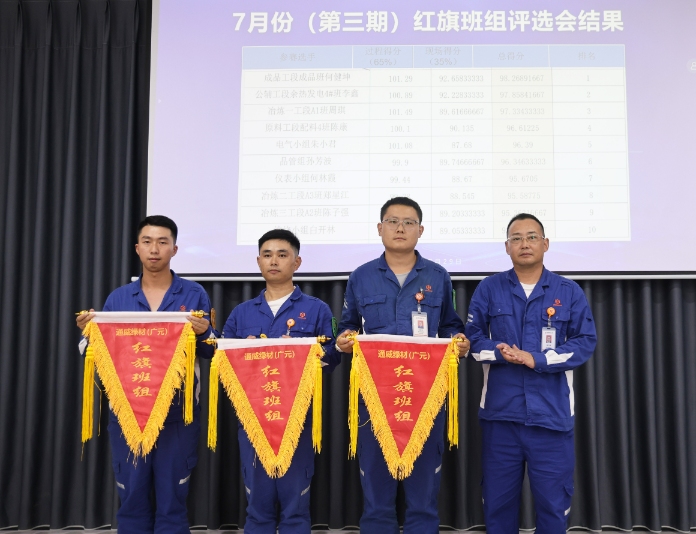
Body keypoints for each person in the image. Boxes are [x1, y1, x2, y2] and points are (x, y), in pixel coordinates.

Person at [335, 197, 469, 534]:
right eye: (392, 221)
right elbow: (347, 324)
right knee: (376, 497)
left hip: (424, 396)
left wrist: (459, 342)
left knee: (423, 497)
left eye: (409, 222)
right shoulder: (361, 276)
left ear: (420, 231)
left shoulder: (438, 276)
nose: (400, 228)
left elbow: (450, 326)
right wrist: (344, 340)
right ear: (380, 228)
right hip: (374, 397)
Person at [76, 215, 214, 534]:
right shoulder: (119, 298)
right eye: (148, 242)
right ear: (137, 248)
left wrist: (205, 333)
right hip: (128, 412)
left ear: (174, 249)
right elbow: (95, 354)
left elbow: (211, 351)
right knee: (132, 497)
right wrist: (88, 333)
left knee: (173, 500)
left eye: (163, 242)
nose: (155, 249)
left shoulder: (194, 294)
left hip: (178, 413)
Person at [465, 213, 597, 533]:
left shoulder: (568, 291)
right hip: (501, 417)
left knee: (553, 507)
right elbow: (471, 340)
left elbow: (584, 342)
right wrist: (500, 352)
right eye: (516, 238)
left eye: (532, 237)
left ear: (545, 244)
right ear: (507, 247)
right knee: (497, 506)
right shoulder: (489, 288)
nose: (524, 244)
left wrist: (537, 359)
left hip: (551, 418)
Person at [222, 229, 340, 534]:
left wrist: (303, 354)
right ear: (258, 261)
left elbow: (332, 358)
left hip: (297, 421)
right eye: (267, 255)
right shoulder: (241, 313)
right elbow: (223, 362)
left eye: (282, 255)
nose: (274, 261)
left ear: (297, 262)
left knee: (295, 507)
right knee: (257, 507)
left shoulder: (317, 309)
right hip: (253, 421)